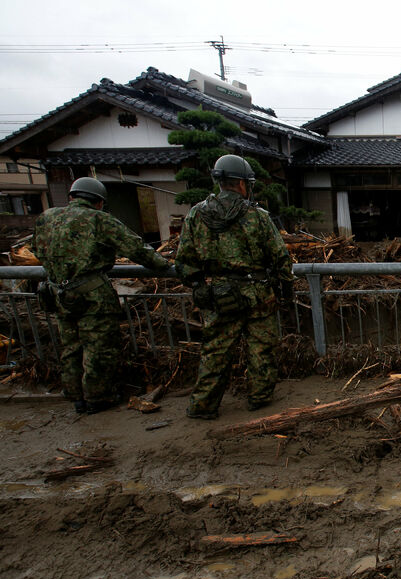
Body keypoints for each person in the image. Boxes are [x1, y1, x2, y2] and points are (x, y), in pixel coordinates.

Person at [32, 177, 169, 414]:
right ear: (99, 202)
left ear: (72, 197)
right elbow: (135, 248)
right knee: (98, 347)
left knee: (71, 346)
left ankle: (76, 396)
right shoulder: (99, 220)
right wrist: (164, 265)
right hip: (92, 294)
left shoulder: (47, 217)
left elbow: (37, 250)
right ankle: (98, 397)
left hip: (58, 293)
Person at [175, 155, 294, 419]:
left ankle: (203, 405)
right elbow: (279, 256)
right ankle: (259, 398)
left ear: (218, 181)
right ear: (242, 183)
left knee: (215, 351)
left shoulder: (196, 214)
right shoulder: (257, 216)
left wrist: (197, 284)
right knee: (261, 348)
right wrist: (286, 287)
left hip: (218, 296)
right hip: (258, 294)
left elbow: (183, 260)